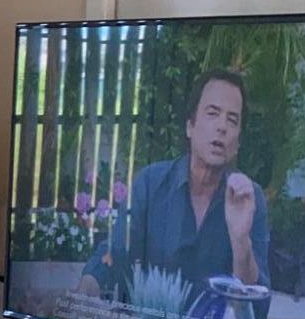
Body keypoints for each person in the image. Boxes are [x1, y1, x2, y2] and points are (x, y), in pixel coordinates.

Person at [79, 69, 270, 303]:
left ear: (238, 141)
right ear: (190, 126)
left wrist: (241, 241)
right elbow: (116, 252)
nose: (222, 127)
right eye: (212, 113)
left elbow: (258, 306)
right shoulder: (151, 183)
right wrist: (88, 285)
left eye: (232, 120)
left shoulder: (250, 199)